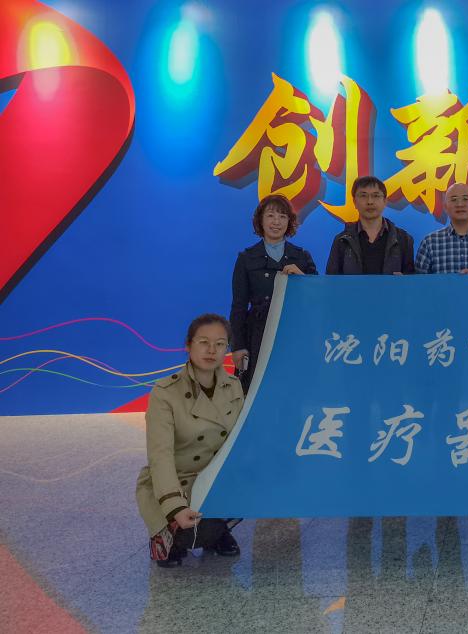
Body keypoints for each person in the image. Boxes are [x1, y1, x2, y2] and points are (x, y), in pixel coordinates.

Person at [136, 314, 246, 567]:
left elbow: (237, 444)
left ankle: (218, 531)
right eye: (203, 342)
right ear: (188, 345)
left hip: (213, 479)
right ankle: (166, 536)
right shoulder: (165, 392)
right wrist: (175, 506)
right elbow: (160, 456)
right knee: (185, 533)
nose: (212, 350)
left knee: (253, 490)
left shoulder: (234, 386)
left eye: (220, 344)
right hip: (177, 480)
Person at [230, 195, 317, 391]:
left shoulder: (302, 256)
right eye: (270, 215)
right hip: (257, 336)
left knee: (294, 391)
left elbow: (317, 298)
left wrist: (302, 278)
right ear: (260, 220)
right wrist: (237, 346)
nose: (276, 222)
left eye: (282, 216)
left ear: (290, 222)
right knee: (257, 390)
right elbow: (238, 307)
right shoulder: (246, 258)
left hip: (294, 334)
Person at [325, 176, 415, 275]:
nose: (370, 202)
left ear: (385, 201)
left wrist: (404, 281)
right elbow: (331, 281)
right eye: (363, 196)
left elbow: (412, 280)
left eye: (376, 196)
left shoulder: (404, 239)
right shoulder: (342, 241)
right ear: (354, 202)